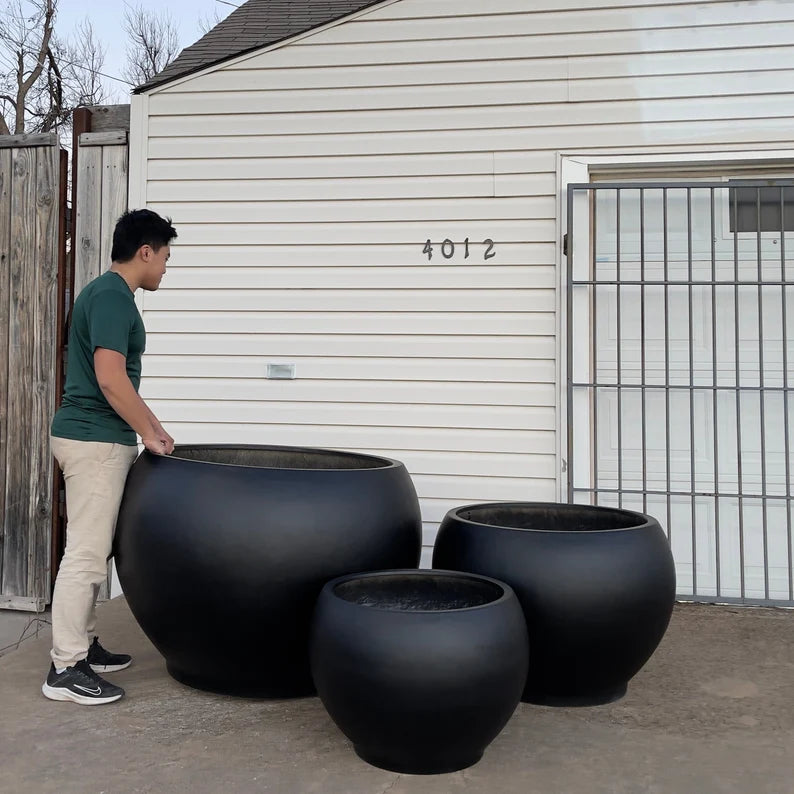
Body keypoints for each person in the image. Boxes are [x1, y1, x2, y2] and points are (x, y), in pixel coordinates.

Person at [42, 209, 177, 705]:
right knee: (85, 552)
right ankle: (66, 667)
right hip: (94, 441)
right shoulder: (113, 298)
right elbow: (110, 379)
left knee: (93, 549)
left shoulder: (108, 294)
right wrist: (148, 432)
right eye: (165, 257)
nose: (165, 267)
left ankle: (83, 644)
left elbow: (118, 384)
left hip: (98, 437)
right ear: (145, 252)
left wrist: (151, 430)